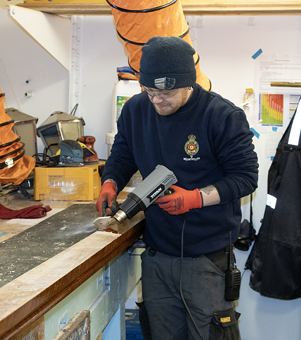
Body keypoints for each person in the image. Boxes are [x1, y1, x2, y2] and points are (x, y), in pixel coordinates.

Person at [96, 36, 258, 340]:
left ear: (189, 83)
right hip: (157, 256)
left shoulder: (222, 116)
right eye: (150, 91)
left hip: (207, 260)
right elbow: (123, 154)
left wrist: (195, 199)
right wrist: (110, 182)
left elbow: (246, 178)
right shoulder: (135, 110)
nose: (157, 100)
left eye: (166, 92)